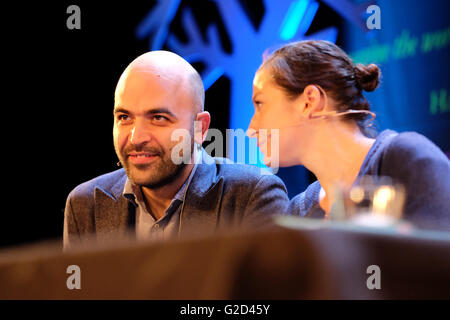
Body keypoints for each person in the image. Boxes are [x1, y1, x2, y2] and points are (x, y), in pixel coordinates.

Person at [63, 50, 289, 250]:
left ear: (200, 128)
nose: (136, 137)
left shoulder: (252, 196)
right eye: (124, 117)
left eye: (158, 118)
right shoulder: (85, 204)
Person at [247, 40, 450, 231]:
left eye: (260, 104)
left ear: (310, 101)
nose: (251, 128)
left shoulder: (405, 159)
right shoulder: (298, 211)